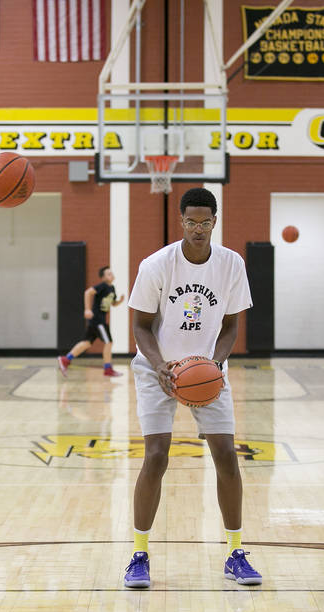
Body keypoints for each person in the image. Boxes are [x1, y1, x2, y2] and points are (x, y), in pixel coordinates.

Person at [122, 187, 261, 589]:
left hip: (206, 369)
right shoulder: (157, 265)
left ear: (215, 222)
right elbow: (140, 326)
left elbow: (232, 326)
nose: (198, 229)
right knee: (156, 455)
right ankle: (139, 554)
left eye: (205, 222)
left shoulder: (231, 264)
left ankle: (236, 552)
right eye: (191, 222)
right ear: (181, 222)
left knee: (226, 455)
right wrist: (161, 366)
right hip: (157, 368)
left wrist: (215, 365)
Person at [58, 266, 125, 377]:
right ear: (103, 278)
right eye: (108, 274)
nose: (111, 274)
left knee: (87, 342)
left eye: (111, 273)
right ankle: (107, 369)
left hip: (97, 320)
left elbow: (112, 303)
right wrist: (87, 309)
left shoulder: (111, 288)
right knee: (109, 342)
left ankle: (66, 359)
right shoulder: (102, 286)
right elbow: (88, 292)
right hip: (98, 320)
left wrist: (120, 301)